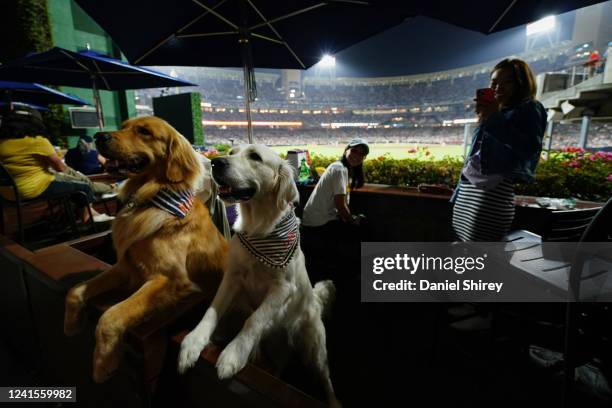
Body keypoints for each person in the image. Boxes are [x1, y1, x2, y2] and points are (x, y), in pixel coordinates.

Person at [450, 58, 546, 242]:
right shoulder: (496, 111)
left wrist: (494, 117)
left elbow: (529, 148)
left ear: (521, 83)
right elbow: (474, 157)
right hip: (468, 193)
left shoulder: (530, 107)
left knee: (479, 253)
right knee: (464, 247)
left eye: (507, 81)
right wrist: (458, 192)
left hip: (492, 197)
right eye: (494, 82)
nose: (498, 87)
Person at [0, 106, 114, 223]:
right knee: (83, 186)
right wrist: (78, 177)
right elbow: (59, 167)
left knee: (73, 183)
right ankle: (88, 217)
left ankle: (98, 202)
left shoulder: (2, 142)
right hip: (33, 188)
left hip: (7, 193)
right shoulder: (37, 141)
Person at [301, 138, 368, 283]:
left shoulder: (340, 168)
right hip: (318, 224)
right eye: (354, 151)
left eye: (361, 154)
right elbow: (340, 204)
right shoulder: (339, 169)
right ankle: (354, 277)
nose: (357, 155)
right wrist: (352, 220)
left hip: (319, 220)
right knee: (364, 230)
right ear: (346, 151)